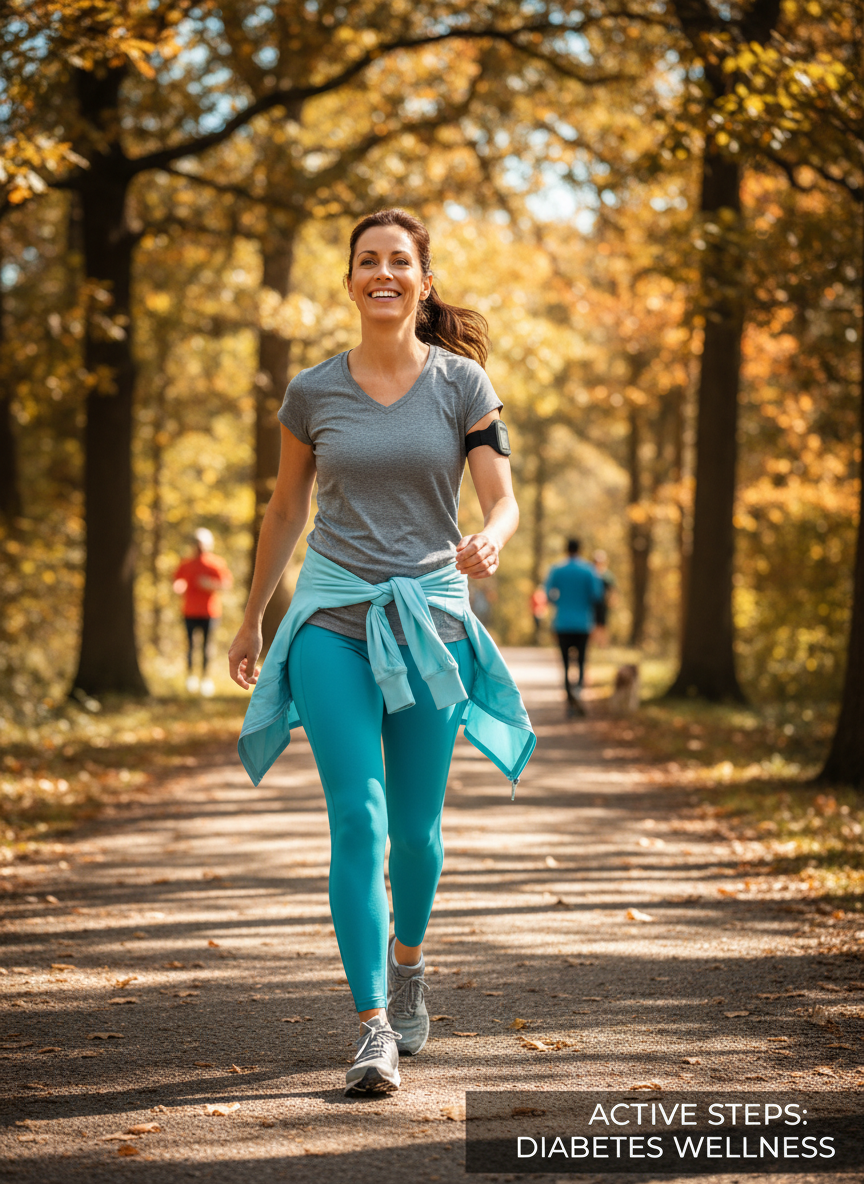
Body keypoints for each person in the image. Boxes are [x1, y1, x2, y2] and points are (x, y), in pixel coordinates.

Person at [228, 209, 535, 1098]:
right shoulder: (313, 392)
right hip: (332, 618)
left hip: (429, 621)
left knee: (418, 836)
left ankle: (408, 964)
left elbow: (503, 498)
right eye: (369, 261)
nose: (384, 274)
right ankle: (371, 1027)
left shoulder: (464, 384)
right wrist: (254, 618)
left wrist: (494, 538)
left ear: (423, 281)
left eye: (400, 261)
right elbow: (285, 510)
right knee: (357, 821)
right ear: (351, 278)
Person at [545, 538, 605, 716]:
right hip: (583, 623)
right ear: (580, 549)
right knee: (581, 661)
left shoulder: (557, 569)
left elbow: (548, 595)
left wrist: (561, 602)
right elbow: (597, 595)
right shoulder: (589, 570)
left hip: (562, 622)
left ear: (566, 549)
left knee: (564, 664)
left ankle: (569, 702)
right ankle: (578, 691)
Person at [172, 528, 233, 696]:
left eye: (202, 543)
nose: (199, 547)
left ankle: (206, 679)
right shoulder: (186, 564)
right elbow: (178, 581)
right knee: (191, 646)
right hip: (189, 611)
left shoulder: (216, 563)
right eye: (196, 543)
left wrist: (210, 584)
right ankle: (190, 678)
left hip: (210, 612)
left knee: (207, 647)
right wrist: (178, 586)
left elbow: (226, 584)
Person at [592, 548, 616, 647]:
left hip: (603, 604)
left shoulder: (608, 575)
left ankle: (602, 646)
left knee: (603, 625)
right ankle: (592, 645)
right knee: (592, 625)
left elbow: (613, 590)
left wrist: (612, 601)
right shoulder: (590, 574)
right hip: (592, 604)